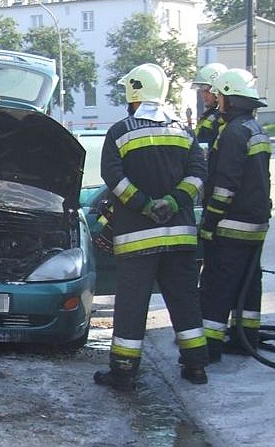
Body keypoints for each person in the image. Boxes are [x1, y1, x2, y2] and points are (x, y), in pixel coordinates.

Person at [93, 63, 209, 390]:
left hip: (137, 240)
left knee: (132, 306)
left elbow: (114, 180)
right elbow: (198, 175)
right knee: (185, 301)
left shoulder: (120, 132)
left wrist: (143, 204)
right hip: (180, 238)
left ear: (135, 91)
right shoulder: (184, 132)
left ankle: (124, 372)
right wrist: (173, 202)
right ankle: (196, 366)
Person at [198, 68, 271, 362]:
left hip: (230, 225)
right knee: (249, 283)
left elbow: (225, 186)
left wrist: (209, 223)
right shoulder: (256, 130)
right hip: (256, 224)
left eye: (220, 96)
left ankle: (210, 347)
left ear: (228, 99)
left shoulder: (233, 133)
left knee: (217, 285)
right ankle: (245, 337)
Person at [191, 63, 227, 151]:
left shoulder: (221, 119)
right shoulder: (208, 116)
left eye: (207, 91)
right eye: (202, 91)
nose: (203, 95)